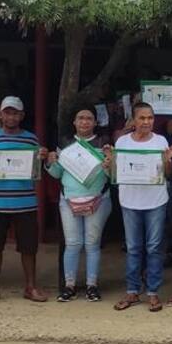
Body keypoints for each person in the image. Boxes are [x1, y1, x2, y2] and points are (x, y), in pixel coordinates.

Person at [0, 96, 49, 306]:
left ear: (22, 115)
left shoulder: (31, 140)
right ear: (1, 115)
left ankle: (30, 287)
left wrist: (42, 157)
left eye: (15, 112)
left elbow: (37, 171)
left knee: (29, 248)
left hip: (25, 202)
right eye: (7, 112)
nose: (11, 116)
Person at [110, 102, 172, 312]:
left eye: (150, 118)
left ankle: (153, 292)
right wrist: (109, 162)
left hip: (155, 200)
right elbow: (115, 172)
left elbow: (168, 174)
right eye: (142, 118)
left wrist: (168, 161)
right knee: (133, 248)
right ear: (134, 120)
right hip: (130, 200)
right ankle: (132, 290)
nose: (146, 122)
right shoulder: (122, 142)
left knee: (154, 247)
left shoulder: (161, 141)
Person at [46, 105, 110, 303]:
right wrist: (51, 162)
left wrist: (110, 164)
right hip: (69, 199)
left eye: (89, 118)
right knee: (73, 244)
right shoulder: (64, 143)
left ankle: (92, 286)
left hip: (98, 199)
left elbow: (112, 176)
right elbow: (56, 174)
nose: (84, 121)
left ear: (95, 122)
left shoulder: (104, 143)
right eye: (80, 117)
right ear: (74, 122)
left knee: (92, 244)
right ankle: (69, 286)